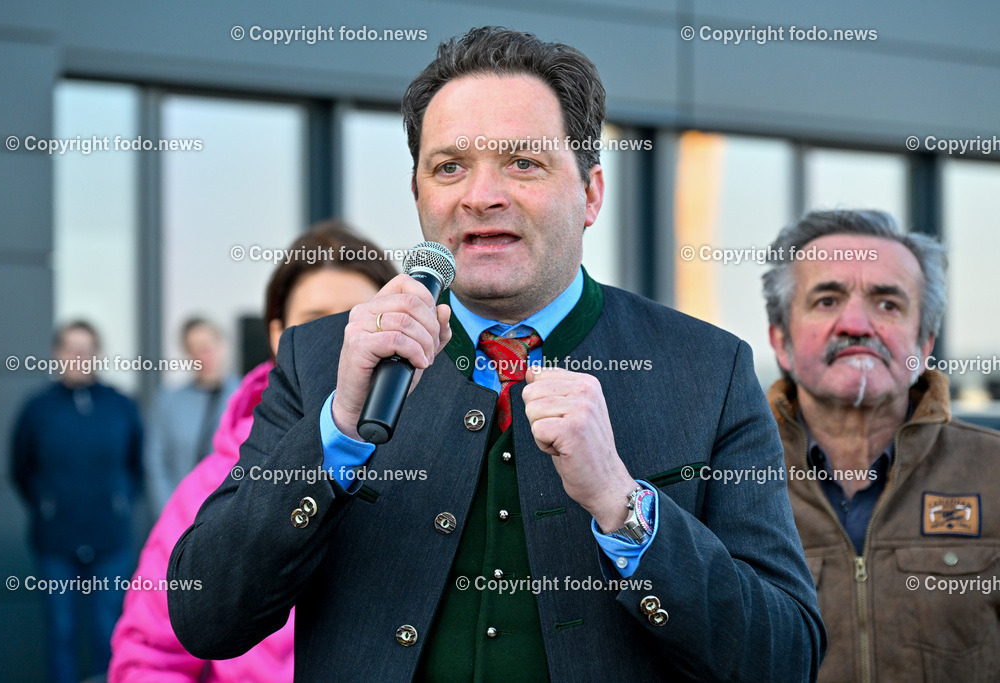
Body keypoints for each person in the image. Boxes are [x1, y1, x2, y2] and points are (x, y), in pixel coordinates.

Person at [169, 26, 824, 680]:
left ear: (591, 193)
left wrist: (624, 506)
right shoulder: (321, 360)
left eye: (523, 163)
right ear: (419, 195)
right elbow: (207, 617)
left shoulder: (709, 371)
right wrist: (337, 434)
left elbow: (785, 658)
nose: (481, 195)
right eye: (449, 167)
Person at [109, 222, 397, 681]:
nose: (343, 341)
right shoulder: (210, 485)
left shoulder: (439, 464)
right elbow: (149, 657)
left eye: (356, 318)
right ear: (279, 334)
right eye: (316, 321)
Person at [762, 209, 1000, 681]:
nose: (855, 324)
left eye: (888, 304)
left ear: (925, 343)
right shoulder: (722, 480)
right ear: (780, 340)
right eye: (827, 300)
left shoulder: (993, 471)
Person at [11, 320, 143, 683]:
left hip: (109, 540)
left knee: (108, 630)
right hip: (56, 542)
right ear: (57, 354)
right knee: (62, 632)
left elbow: (136, 465)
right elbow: (21, 468)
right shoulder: (38, 408)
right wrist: (47, 506)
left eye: (86, 350)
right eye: (71, 349)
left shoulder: (120, 405)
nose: (79, 357)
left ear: (97, 354)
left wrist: (119, 503)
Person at [144, 318, 239, 516]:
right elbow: (156, 462)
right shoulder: (169, 401)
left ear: (223, 345)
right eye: (194, 349)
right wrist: (170, 514)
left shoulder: (247, 396)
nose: (203, 355)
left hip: (231, 515)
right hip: (181, 514)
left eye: (208, 345)